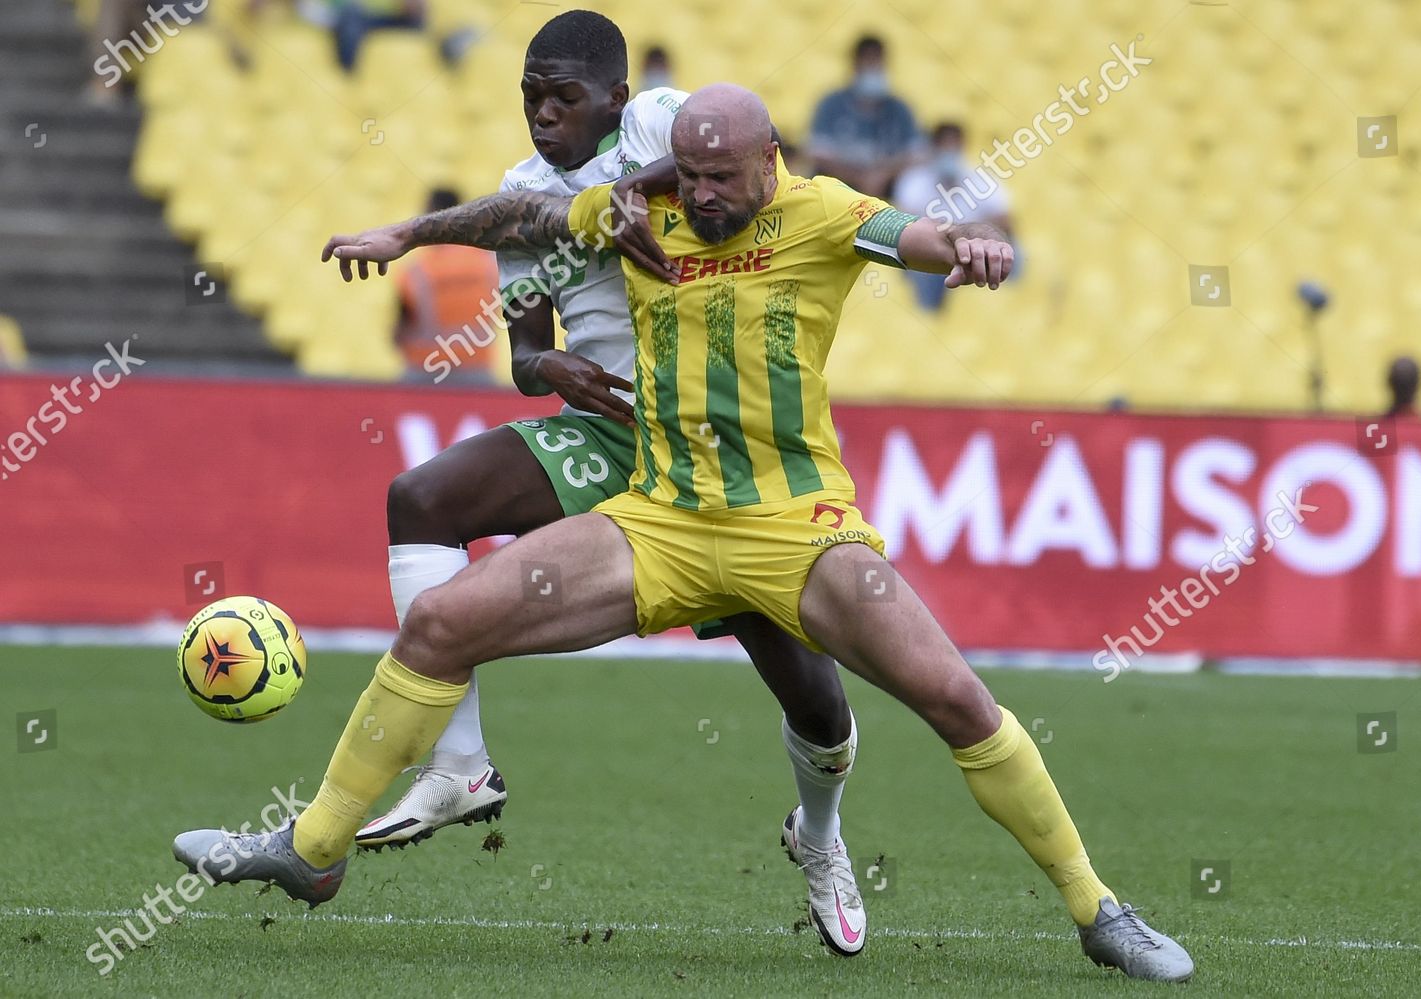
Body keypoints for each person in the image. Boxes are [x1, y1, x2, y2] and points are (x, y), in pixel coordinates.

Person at [175, 83, 1194, 982]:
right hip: (658, 520)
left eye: (719, 179)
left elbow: (916, 239)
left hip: (797, 529)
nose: (698, 197)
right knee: (441, 622)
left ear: (770, 162)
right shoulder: (642, 208)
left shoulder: (824, 214)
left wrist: (968, 248)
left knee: (954, 699)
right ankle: (312, 851)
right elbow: (520, 217)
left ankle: (1097, 910)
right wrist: (404, 235)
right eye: (689, 175)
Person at [357, 11, 865, 955]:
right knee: (421, 498)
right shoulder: (518, 196)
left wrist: (620, 195)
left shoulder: (662, 125)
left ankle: (822, 834)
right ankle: (461, 765)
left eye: (564, 98)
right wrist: (556, 374)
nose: (545, 117)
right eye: (530, 99)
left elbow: (731, 165)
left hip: (718, 455)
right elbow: (524, 352)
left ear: (618, 99)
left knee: (816, 705)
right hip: (606, 428)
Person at [894, 122, 1013, 311]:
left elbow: (1006, 221)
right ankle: (928, 312)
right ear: (933, 148)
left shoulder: (982, 180)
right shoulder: (914, 181)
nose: (950, 152)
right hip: (930, 252)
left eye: (954, 146)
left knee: (1013, 253)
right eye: (944, 146)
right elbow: (902, 225)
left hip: (975, 251)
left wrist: (977, 234)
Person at [393, 189, 499, 382]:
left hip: (425, 370)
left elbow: (399, 331)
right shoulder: (489, 263)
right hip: (476, 368)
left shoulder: (417, 270)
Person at [807, 35, 922, 198]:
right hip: (840, 189)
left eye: (877, 63)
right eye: (868, 62)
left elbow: (917, 154)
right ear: (855, 65)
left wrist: (883, 175)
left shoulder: (899, 109)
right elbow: (818, 153)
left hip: (888, 189)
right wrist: (860, 178)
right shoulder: (832, 104)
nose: (873, 68)